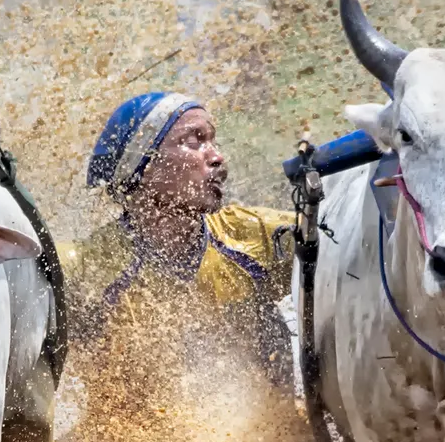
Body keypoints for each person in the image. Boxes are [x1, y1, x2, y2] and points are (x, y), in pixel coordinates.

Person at [62, 92, 296, 387]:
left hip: (276, 431)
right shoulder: (91, 267)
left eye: (212, 140)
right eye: (194, 140)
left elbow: (344, 234)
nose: (217, 157)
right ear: (143, 165)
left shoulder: (253, 235)